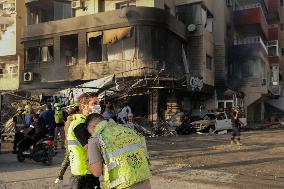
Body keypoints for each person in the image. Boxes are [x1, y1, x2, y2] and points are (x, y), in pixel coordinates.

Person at [86, 113, 152, 189]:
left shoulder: (95, 138)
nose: (91, 134)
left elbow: (96, 172)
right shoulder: (127, 129)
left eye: (89, 132)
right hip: (144, 180)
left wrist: (88, 162)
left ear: (93, 127)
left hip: (122, 185)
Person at [67, 92, 101, 189]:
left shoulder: (87, 123)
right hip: (83, 174)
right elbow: (89, 147)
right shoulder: (79, 124)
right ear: (83, 106)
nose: (98, 106)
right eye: (94, 104)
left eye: (98, 103)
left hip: (89, 171)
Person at [55, 105, 79, 184]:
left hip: (69, 143)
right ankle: (61, 176)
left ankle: (60, 176)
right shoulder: (73, 121)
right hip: (72, 144)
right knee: (69, 160)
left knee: (68, 160)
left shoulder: (67, 121)